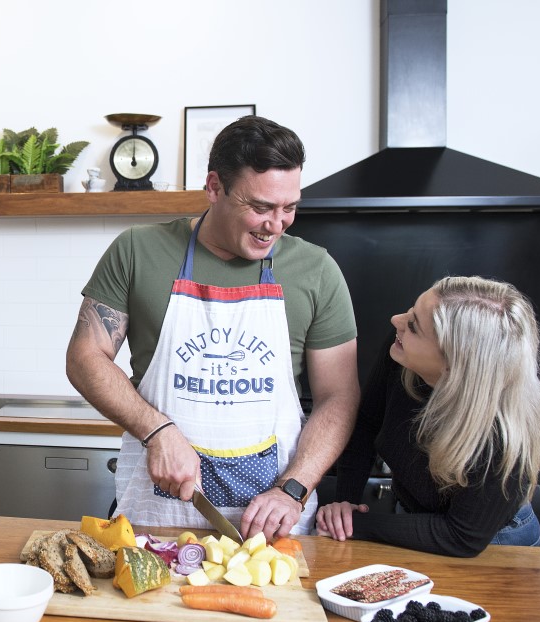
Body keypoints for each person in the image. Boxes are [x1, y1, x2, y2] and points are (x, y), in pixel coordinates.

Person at [67, 115, 360, 541]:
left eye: (289, 208)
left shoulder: (316, 270)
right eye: (260, 207)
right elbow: (84, 357)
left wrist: (293, 488)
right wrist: (157, 430)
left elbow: (339, 396)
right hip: (156, 521)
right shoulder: (137, 250)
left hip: (275, 531)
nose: (276, 225)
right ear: (214, 187)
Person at [317, 276, 540, 557]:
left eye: (413, 326)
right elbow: (366, 422)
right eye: (411, 312)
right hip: (416, 522)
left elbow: (462, 536)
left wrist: (356, 524)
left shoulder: (504, 433)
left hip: (495, 544)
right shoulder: (402, 352)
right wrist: (345, 502)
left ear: (454, 364)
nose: (396, 320)